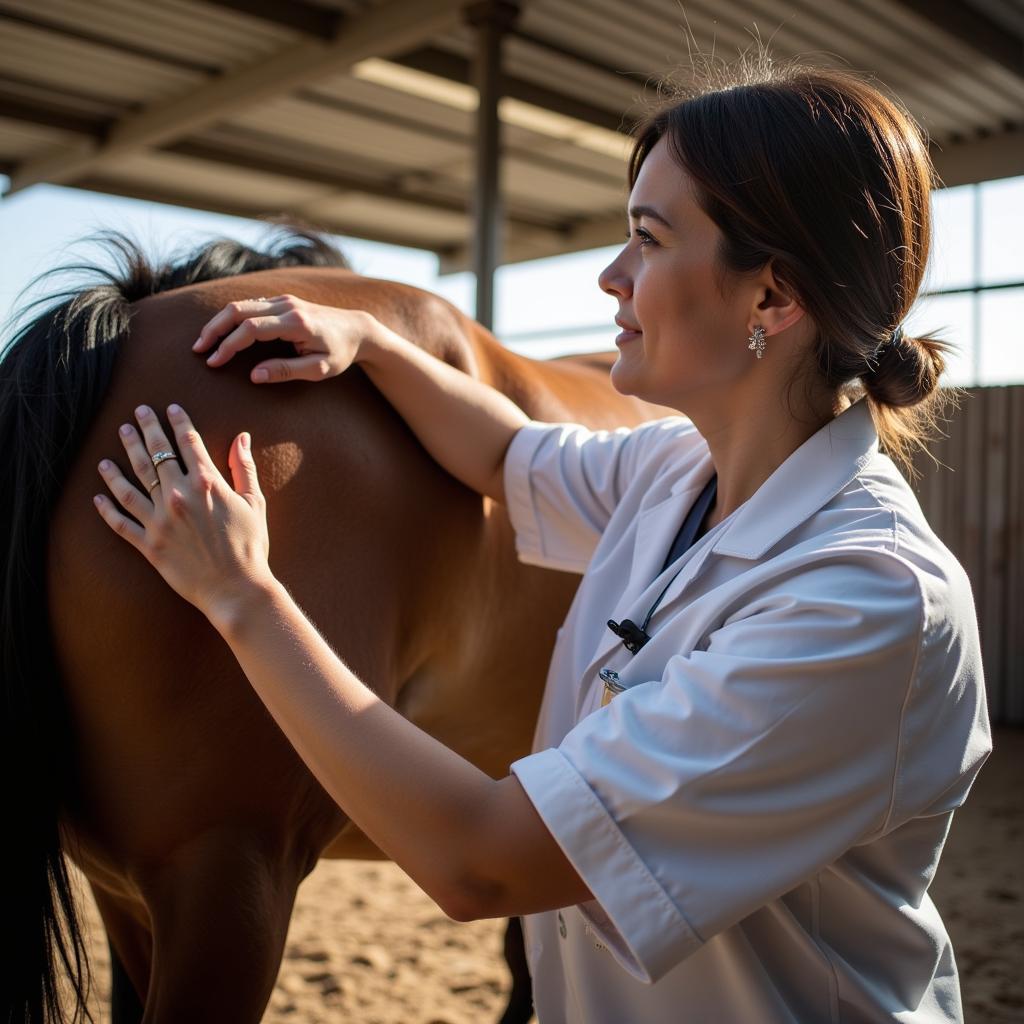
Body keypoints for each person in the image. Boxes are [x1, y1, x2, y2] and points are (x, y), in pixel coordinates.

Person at [94, 57, 992, 1023]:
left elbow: (481, 864)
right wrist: (376, 341)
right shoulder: (673, 473)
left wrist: (244, 596)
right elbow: (502, 454)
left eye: (648, 240)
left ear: (772, 300)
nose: (612, 275)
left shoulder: (866, 598)